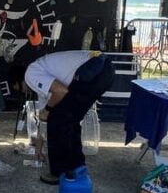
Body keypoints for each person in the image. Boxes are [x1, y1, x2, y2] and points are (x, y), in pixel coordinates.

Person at [24, 50, 115, 184]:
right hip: (104, 70)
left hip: (93, 69)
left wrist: (48, 110)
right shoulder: (43, 75)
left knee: (58, 120)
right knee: (69, 120)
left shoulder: (30, 74)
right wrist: (38, 149)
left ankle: (59, 172)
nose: (24, 92)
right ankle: (77, 167)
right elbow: (44, 120)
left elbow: (61, 91)